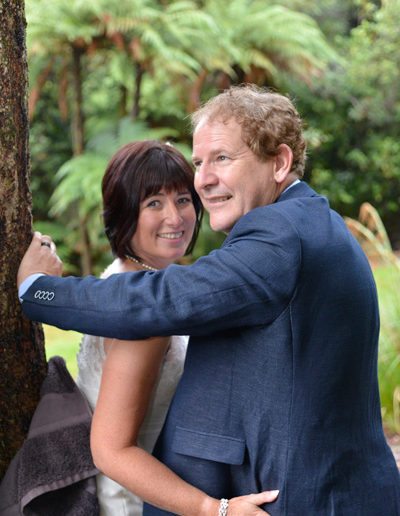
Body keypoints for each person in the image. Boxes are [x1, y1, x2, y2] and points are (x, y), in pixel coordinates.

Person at [18, 85, 400, 515]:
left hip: (302, 498)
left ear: (279, 162)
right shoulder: (313, 223)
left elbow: (164, 301)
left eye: (222, 158)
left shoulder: (280, 235)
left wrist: (38, 291)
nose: (203, 180)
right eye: (199, 163)